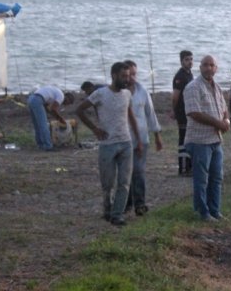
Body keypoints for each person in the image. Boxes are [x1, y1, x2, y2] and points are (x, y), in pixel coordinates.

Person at [76, 62, 141, 226]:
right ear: (113, 76)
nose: (126, 80)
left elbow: (131, 116)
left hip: (125, 142)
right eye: (123, 76)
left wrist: (138, 139)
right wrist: (94, 129)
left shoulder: (127, 94)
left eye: (128, 76)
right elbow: (80, 110)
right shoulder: (100, 94)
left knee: (124, 181)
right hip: (107, 144)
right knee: (107, 182)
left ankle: (117, 214)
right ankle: (107, 209)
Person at [184, 55, 229, 221]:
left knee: (216, 177)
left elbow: (224, 109)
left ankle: (214, 210)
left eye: (212, 65)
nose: (209, 68)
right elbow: (194, 113)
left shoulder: (216, 87)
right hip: (199, 140)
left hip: (215, 140)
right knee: (201, 179)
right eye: (205, 65)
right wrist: (218, 123)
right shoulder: (193, 87)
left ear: (216, 68)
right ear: (200, 67)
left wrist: (226, 121)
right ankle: (202, 212)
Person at [123, 60, 163, 216]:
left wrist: (157, 135)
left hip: (141, 138)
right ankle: (127, 203)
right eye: (129, 74)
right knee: (126, 172)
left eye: (134, 74)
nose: (132, 77)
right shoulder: (118, 92)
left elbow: (150, 114)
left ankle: (140, 203)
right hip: (123, 138)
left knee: (138, 171)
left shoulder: (142, 91)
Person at [27, 85, 74, 151]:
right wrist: (60, 119)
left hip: (31, 98)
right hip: (37, 100)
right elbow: (53, 109)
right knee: (44, 125)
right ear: (68, 98)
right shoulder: (61, 96)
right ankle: (48, 146)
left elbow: (47, 108)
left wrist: (54, 115)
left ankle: (40, 144)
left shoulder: (56, 92)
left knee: (37, 125)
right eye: (68, 103)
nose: (65, 105)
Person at [172, 50, 194, 175]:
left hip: (189, 111)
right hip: (182, 112)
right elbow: (175, 96)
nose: (190, 62)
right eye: (187, 59)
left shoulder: (189, 74)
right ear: (181, 61)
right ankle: (183, 168)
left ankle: (189, 166)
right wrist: (174, 111)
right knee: (183, 139)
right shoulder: (180, 76)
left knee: (189, 138)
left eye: (191, 59)